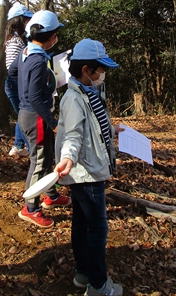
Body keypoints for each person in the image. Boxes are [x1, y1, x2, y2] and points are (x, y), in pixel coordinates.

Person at [54, 39, 124, 296]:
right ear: (86, 70)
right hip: (85, 173)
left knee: (82, 223)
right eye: (99, 69)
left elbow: (92, 125)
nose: (102, 75)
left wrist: (115, 130)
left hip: (88, 169)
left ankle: (83, 274)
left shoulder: (88, 93)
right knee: (97, 229)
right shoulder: (74, 99)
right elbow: (72, 135)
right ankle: (98, 285)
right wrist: (68, 158)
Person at [9, 10, 70, 228]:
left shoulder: (26, 52)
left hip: (30, 114)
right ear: (51, 36)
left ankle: (50, 196)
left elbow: (13, 72)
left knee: (48, 155)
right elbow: (35, 97)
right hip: (36, 117)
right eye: (56, 34)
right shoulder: (36, 60)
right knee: (39, 162)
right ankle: (30, 208)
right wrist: (53, 123)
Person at [5, 3, 34, 157]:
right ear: (20, 21)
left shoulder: (21, 40)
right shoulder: (14, 42)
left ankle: (18, 146)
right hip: (14, 85)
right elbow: (11, 67)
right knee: (24, 116)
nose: (29, 23)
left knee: (21, 115)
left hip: (18, 84)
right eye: (27, 20)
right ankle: (31, 148)